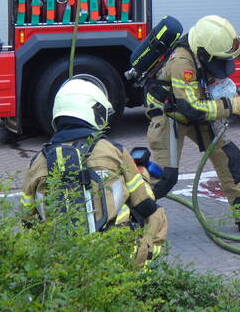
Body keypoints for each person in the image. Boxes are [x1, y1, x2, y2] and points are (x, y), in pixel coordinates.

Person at [145, 15, 240, 232]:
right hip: (169, 115)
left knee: (230, 157)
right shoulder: (182, 63)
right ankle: (126, 214)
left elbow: (236, 48)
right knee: (165, 177)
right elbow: (191, 109)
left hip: (198, 106)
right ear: (204, 53)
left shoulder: (208, 45)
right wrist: (232, 105)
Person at [21, 76, 167, 267]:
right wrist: (143, 174)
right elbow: (145, 204)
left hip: (60, 263)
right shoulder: (112, 150)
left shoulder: (38, 162)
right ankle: (144, 270)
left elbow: (27, 221)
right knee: (157, 215)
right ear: (93, 111)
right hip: (115, 254)